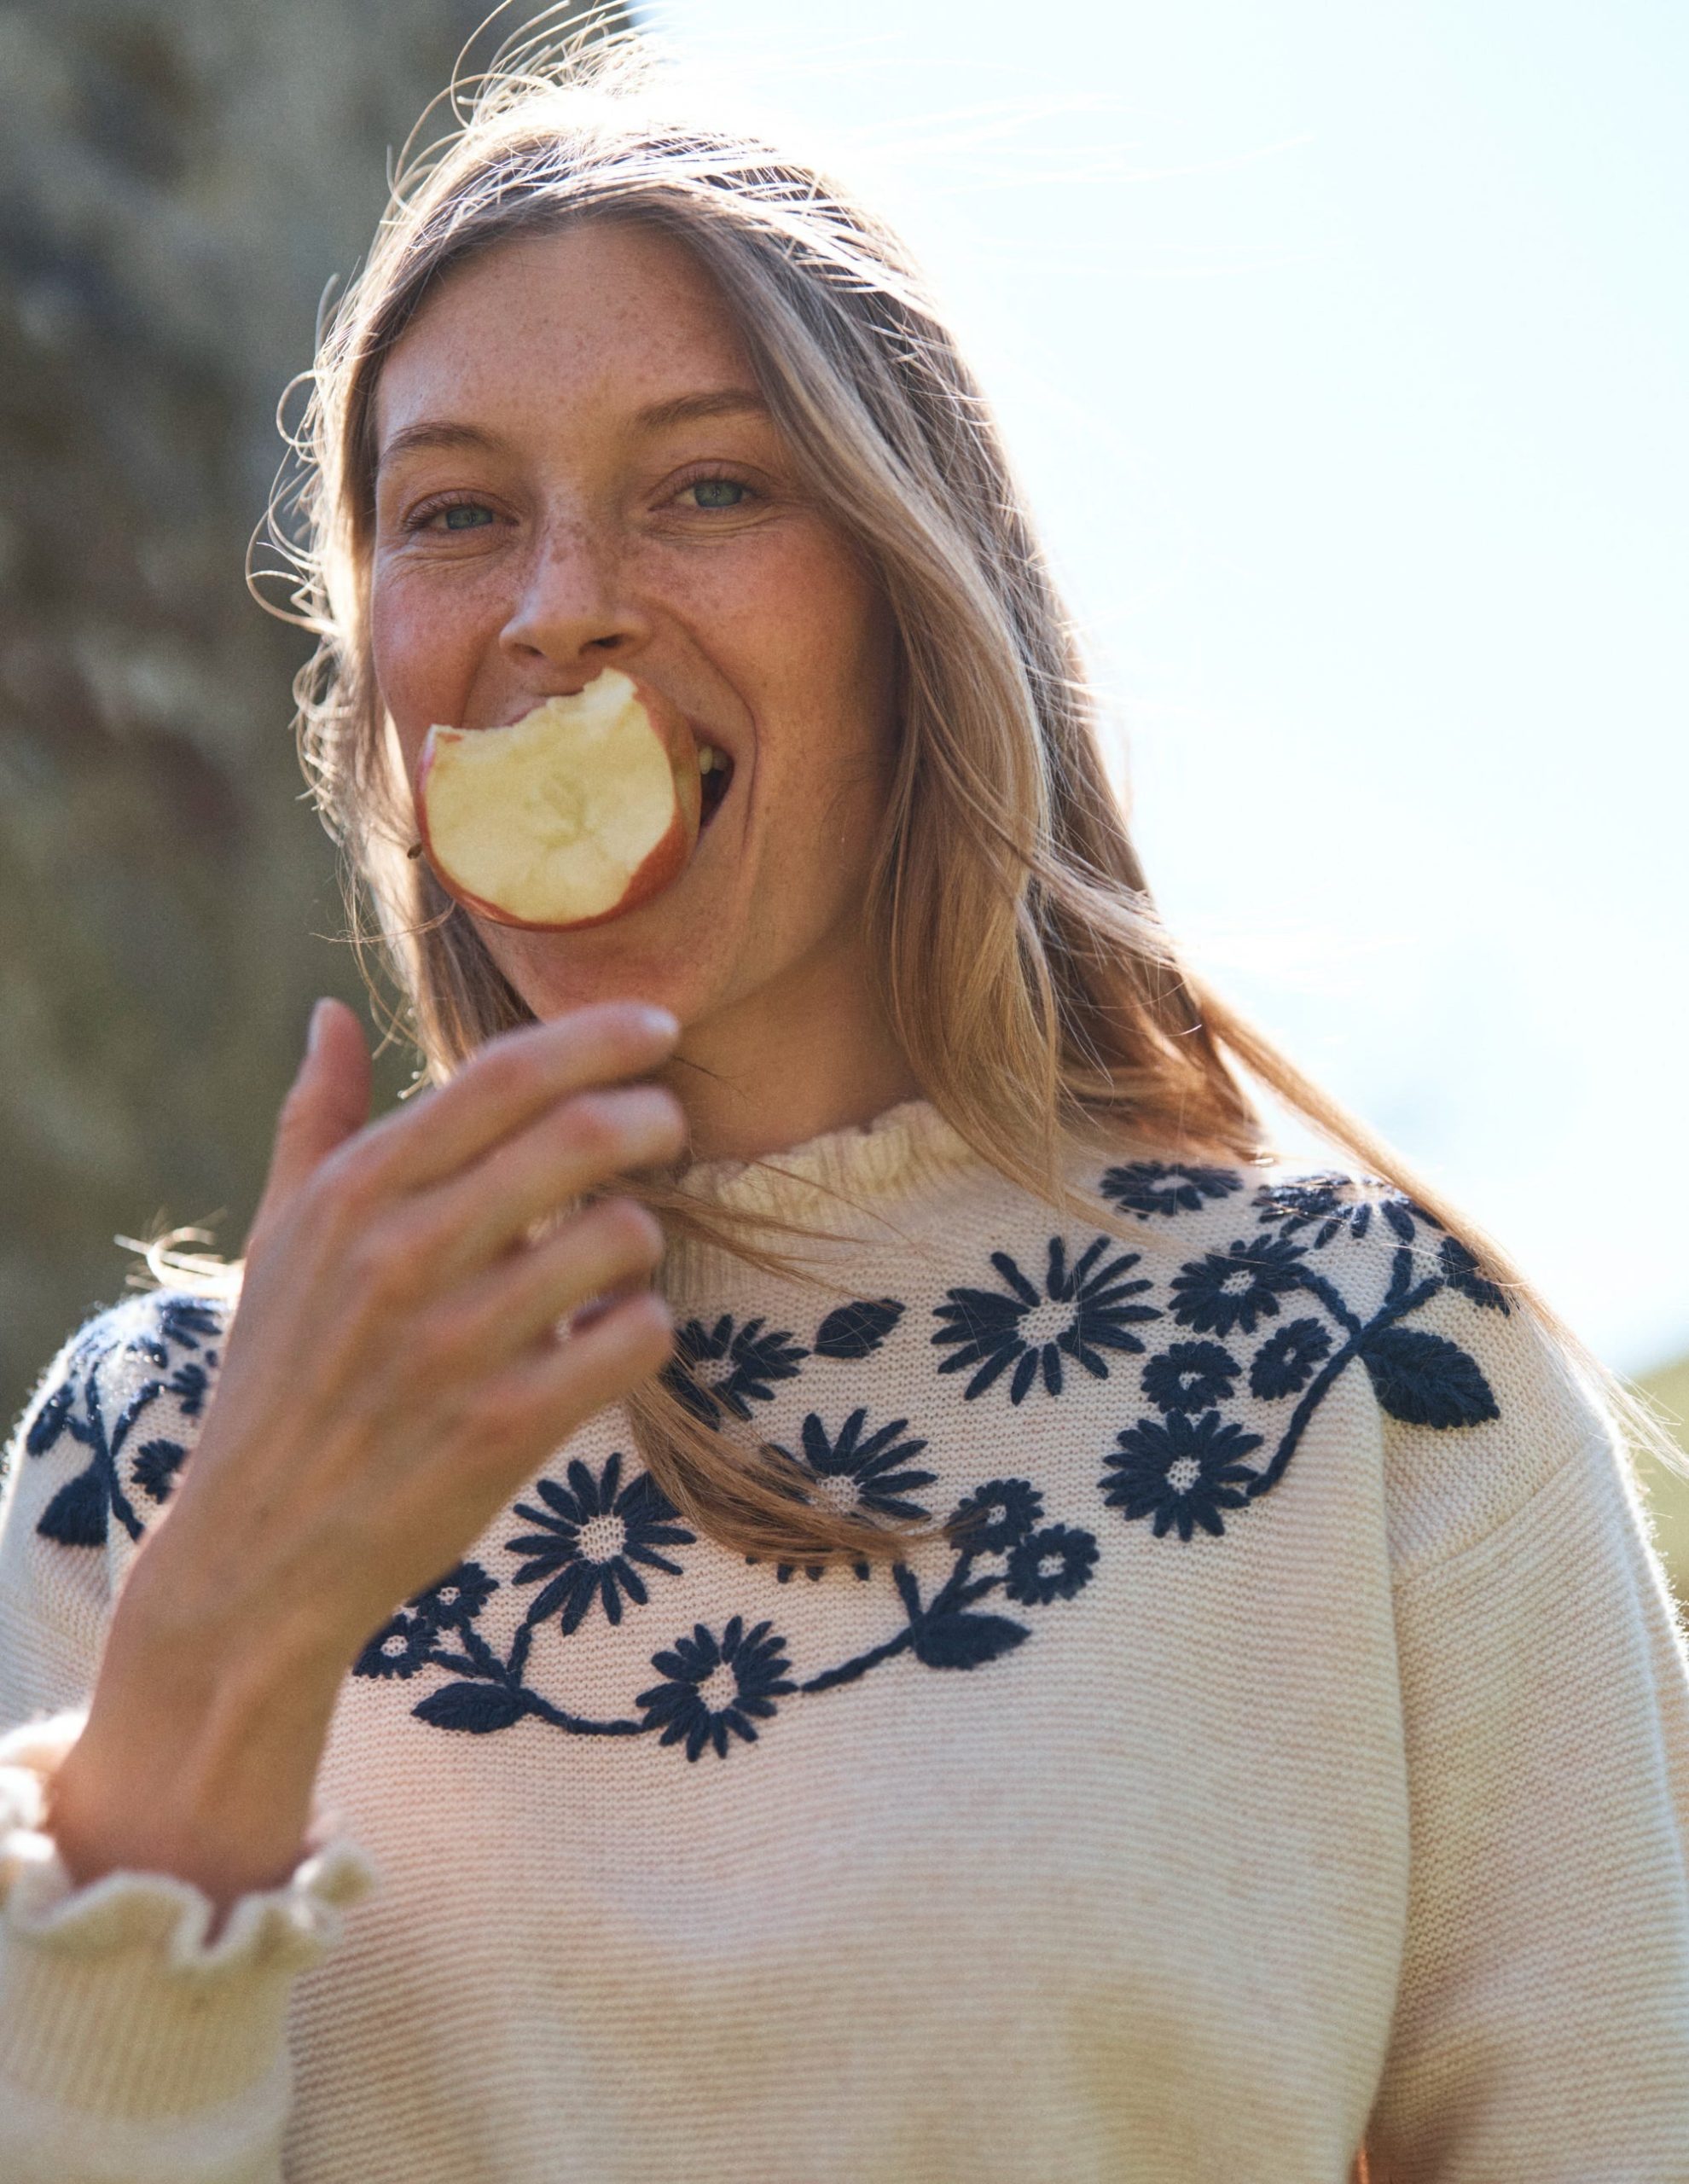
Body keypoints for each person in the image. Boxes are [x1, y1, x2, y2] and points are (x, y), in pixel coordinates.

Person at [2, 30, 1686, 2184]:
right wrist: (215, 1654)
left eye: (710, 487)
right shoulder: (150, 1448)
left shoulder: (1380, 1377)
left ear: (915, 598)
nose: (560, 608)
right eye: (456, 514)